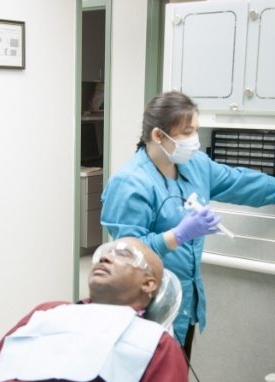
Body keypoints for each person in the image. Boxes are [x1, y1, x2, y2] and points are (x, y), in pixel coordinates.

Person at [100, 91, 275, 359]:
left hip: (184, 302)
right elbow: (126, 256)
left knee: (176, 376)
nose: (193, 140)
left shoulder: (196, 166)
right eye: (187, 132)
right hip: (144, 307)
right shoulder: (130, 183)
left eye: (196, 130)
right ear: (158, 135)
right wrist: (177, 235)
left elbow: (240, 183)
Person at [0, 237, 188, 382]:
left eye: (123, 254)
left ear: (149, 283)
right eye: (104, 252)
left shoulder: (156, 344)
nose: (104, 257)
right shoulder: (48, 311)